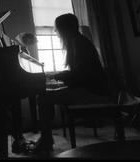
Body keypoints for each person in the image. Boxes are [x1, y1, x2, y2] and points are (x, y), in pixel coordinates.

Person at [27, 13, 110, 153]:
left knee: (43, 98)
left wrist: (59, 76)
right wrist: (60, 77)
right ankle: (47, 137)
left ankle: (46, 139)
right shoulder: (78, 42)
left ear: (67, 29)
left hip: (92, 92)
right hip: (89, 87)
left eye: (57, 29)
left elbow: (81, 75)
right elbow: (80, 73)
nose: (56, 32)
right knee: (46, 95)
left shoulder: (79, 44)